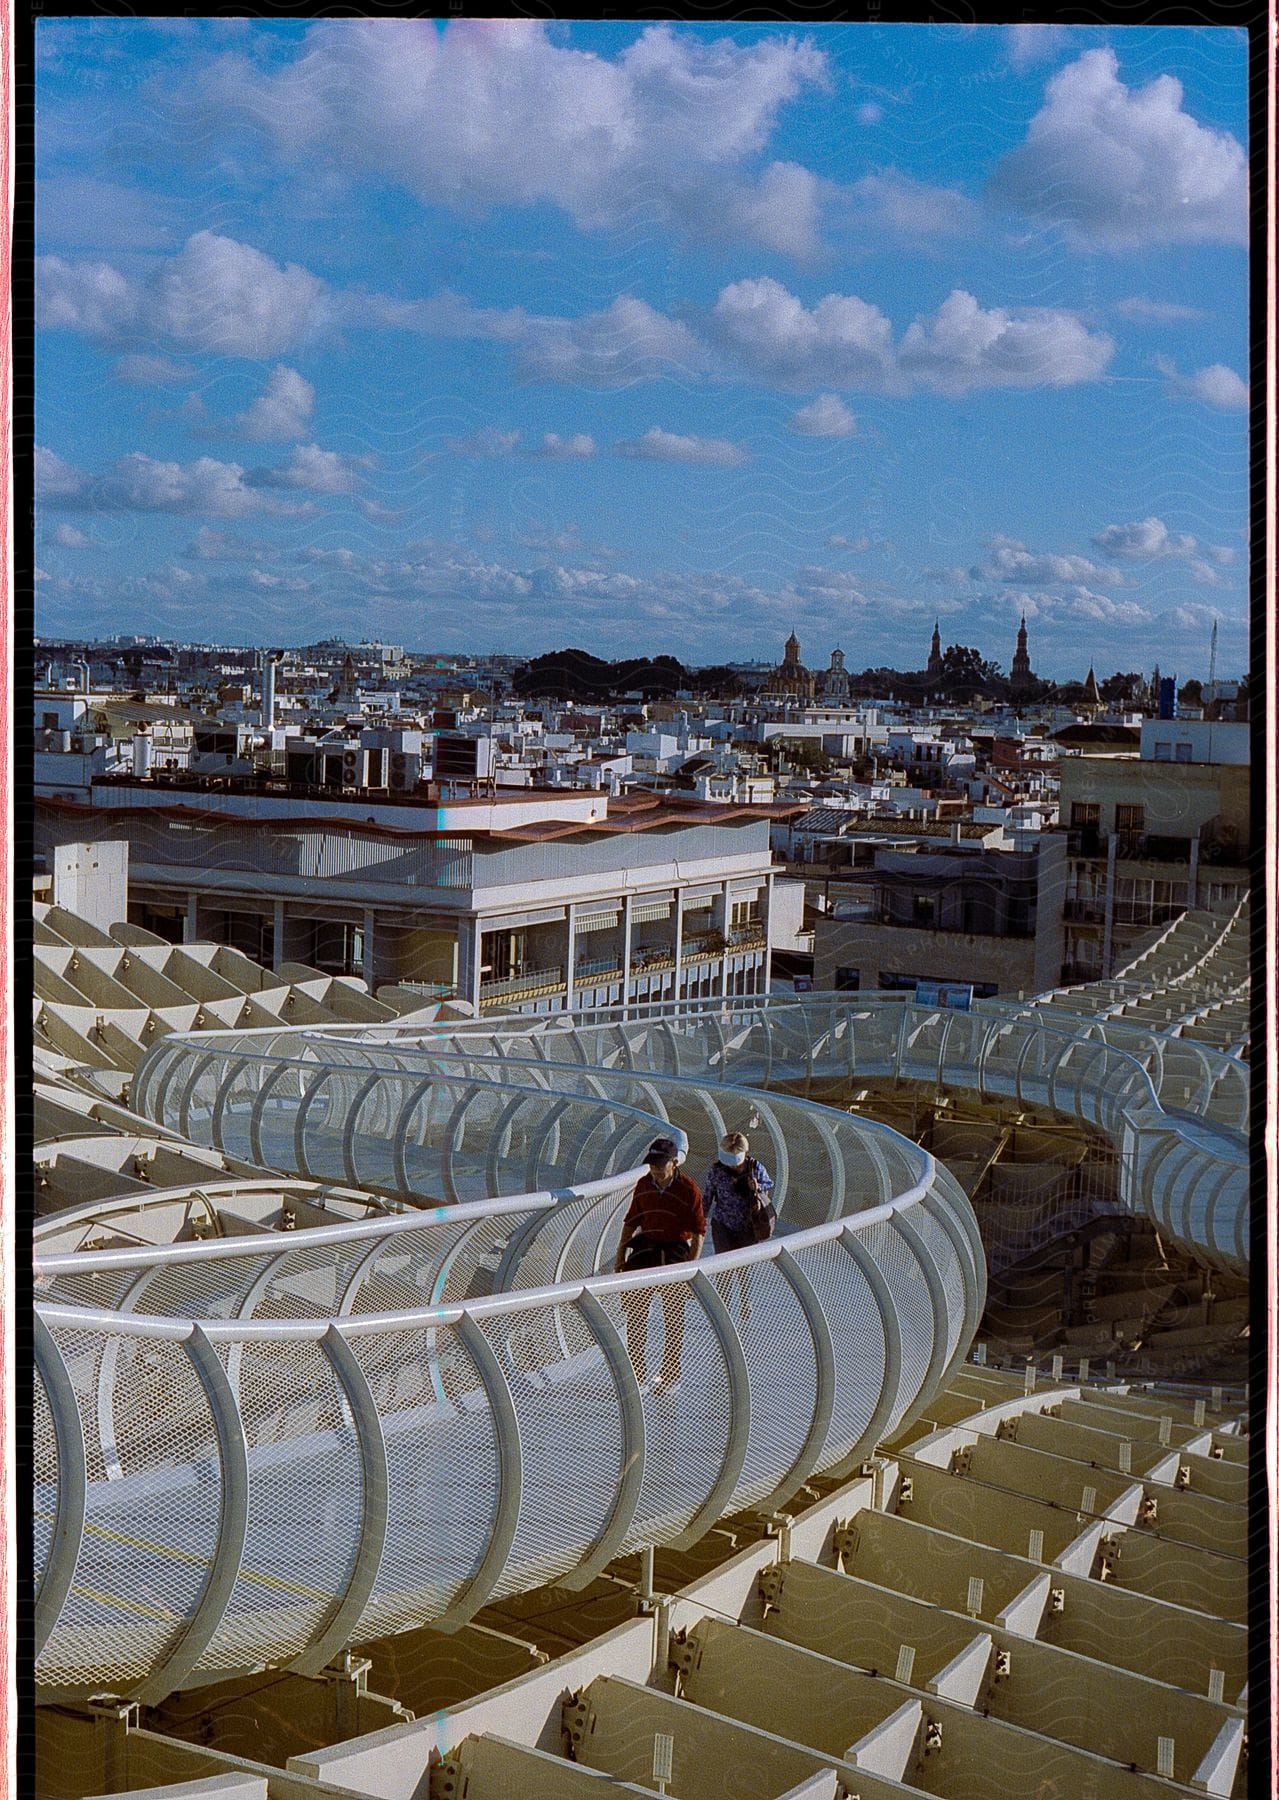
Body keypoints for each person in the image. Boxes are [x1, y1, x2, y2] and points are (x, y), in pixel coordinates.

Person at [614, 1137, 705, 1391]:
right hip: (647, 1248)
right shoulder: (644, 1185)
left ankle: (670, 1373)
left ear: (674, 1163)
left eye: (660, 1163)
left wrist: (690, 1267)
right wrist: (621, 1256)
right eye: (652, 1163)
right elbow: (631, 1221)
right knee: (635, 1312)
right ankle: (636, 1370)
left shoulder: (689, 1189)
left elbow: (699, 1231)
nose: (655, 1168)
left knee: (673, 1316)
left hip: (675, 1250)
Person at [702, 1132, 775, 1319]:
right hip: (723, 1223)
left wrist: (756, 1187)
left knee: (743, 1267)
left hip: (747, 1224)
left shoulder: (754, 1168)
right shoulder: (716, 1171)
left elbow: (768, 1184)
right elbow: (708, 1195)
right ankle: (723, 1305)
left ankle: (744, 1299)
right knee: (723, 1265)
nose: (733, 1166)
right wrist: (700, 1218)